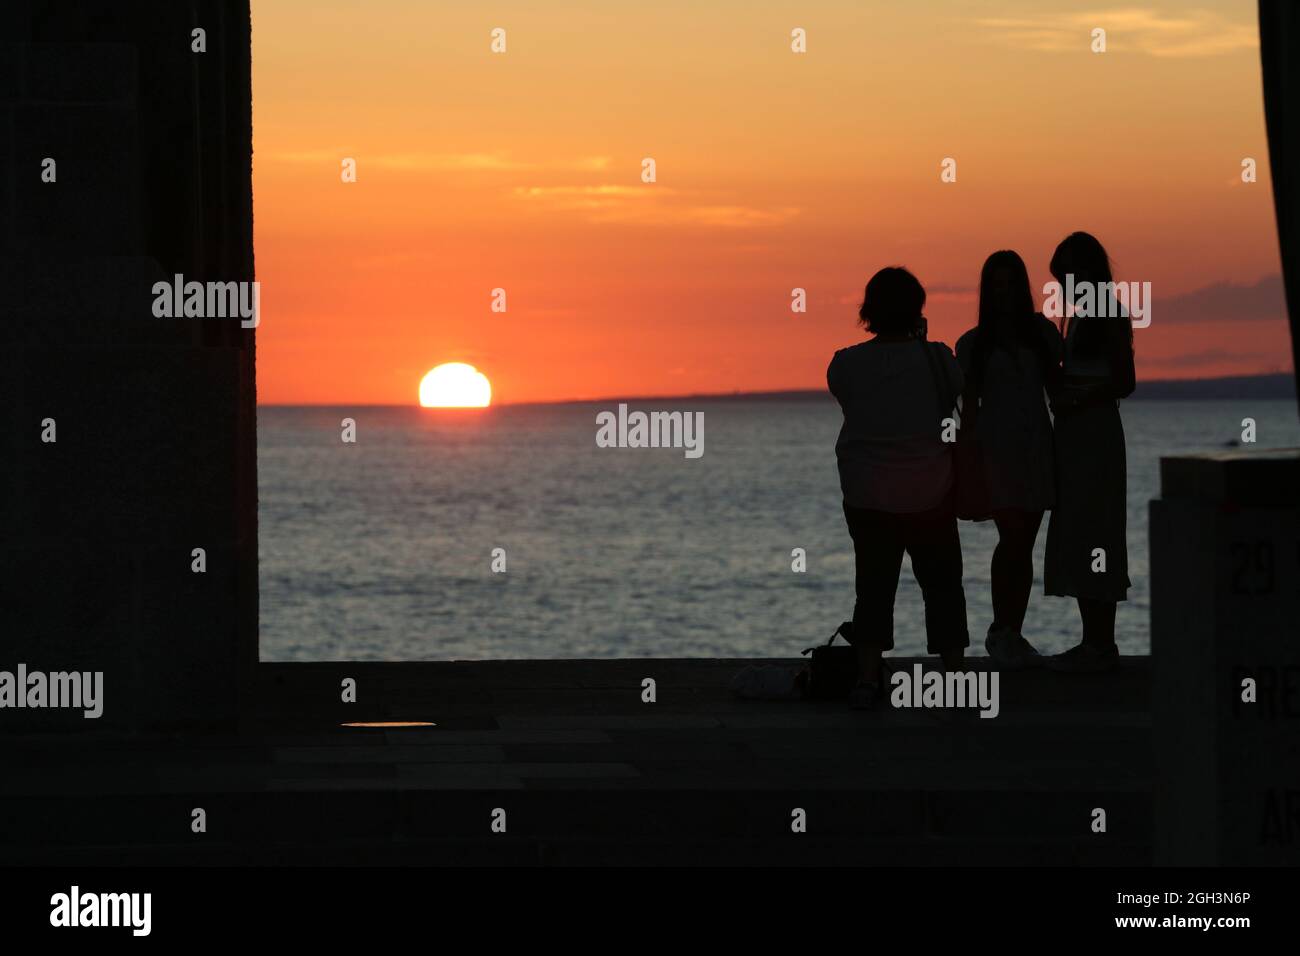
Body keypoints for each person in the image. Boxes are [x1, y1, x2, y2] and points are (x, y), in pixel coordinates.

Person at [827, 267, 970, 710]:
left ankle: (868, 679)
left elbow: (853, 401)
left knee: (872, 587)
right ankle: (954, 674)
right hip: (930, 490)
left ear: (867, 310)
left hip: (868, 494)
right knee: (943, 584)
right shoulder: (939, 359)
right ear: (917, 310)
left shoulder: (844, 363)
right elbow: (951, 398)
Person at [955, 251, 1062, 668]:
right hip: (995, 449)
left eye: (1010, 283)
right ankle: (1003, 629)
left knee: (1025, 542)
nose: (1003, 292)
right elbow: (970, 408)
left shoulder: (1042, 334)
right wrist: (967, 461)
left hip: (1035, 444)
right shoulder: (973, 344)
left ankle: (1010, 631)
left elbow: (1056, 393)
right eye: (996, 284)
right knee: (1013, 538)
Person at [1042, 232, 1135, 673]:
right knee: (1079, 529)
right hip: (1074, 434)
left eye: (1067, 278)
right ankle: (1092, 639)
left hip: (1094, 434)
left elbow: (1124, 382)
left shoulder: (1110, 315)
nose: (1062, 288)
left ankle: (1102, 641)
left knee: (1097, 528)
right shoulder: (1080, 318)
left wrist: (1076, 399)